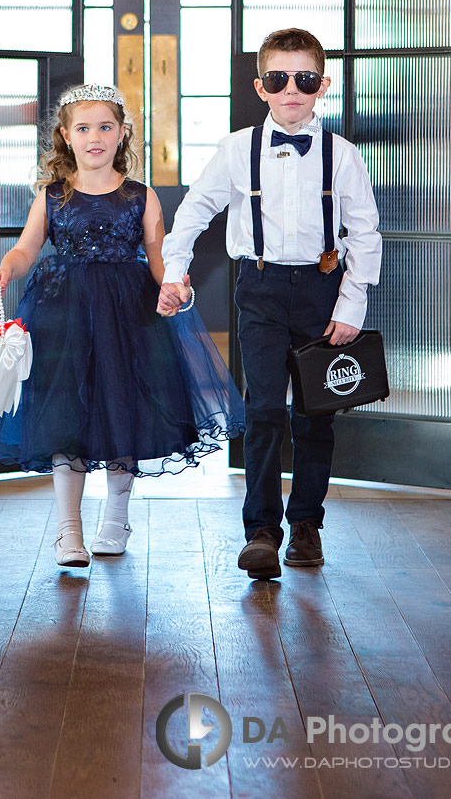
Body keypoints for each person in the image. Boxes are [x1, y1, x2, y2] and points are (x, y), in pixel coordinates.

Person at [0, 83, 245, 569]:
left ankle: (115, 518)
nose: (95, 137)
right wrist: (8, 267)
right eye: (83, 128)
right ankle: (68, 531)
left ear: (122, 133)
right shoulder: (51, 196)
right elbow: (26, 249)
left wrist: (175, 284)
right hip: (64, 314)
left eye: (105, 127)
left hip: (128, 316)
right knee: (66, 416)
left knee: (122, 408)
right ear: (65, 137)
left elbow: (157, 256)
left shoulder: (140, 197)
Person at [159, 29, 381, 580]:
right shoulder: (237, 150)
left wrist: (351, 304)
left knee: (316, 414)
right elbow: (193, 213)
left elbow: (367, 232)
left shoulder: (342, 155)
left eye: (304, 80)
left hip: (322, 290)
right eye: (279, 79)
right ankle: (261, 531)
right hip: (258, 291)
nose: (292, 91)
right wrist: (175, 272)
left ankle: (306, 524)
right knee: (262, 411)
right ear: (261, 86)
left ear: (321, 85)